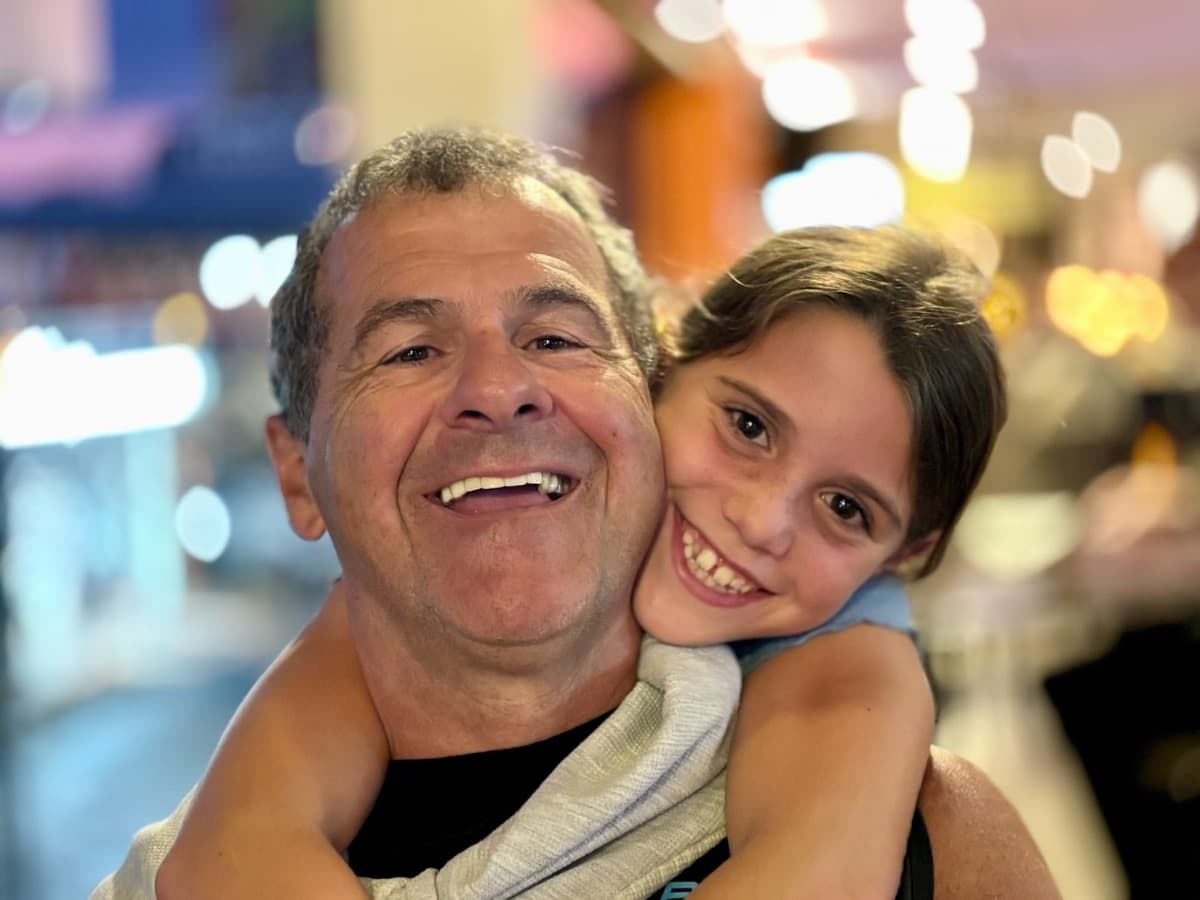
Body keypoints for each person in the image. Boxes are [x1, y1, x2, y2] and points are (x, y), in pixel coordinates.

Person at [94, 127, 1058, 900]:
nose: (498, 388)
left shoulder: (924, 833)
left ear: (644, 391)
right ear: (297, 474)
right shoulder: (208, 856)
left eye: (555, 336)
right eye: (409, 351)